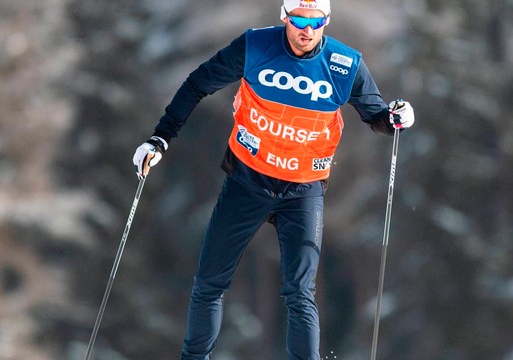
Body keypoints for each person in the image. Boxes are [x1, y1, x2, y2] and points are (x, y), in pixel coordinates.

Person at [132, 0, 415, 358]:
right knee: (208, 284)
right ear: (285, 17)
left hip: (303, 191)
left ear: (326, 21)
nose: (307, 30)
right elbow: (197, 84)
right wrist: (160, 137)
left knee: (299, 293)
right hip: (247, 182)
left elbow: (377, 116)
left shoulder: (346, 64)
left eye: (316, 22)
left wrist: (395, 118)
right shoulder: (254, 46)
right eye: (299, 20)